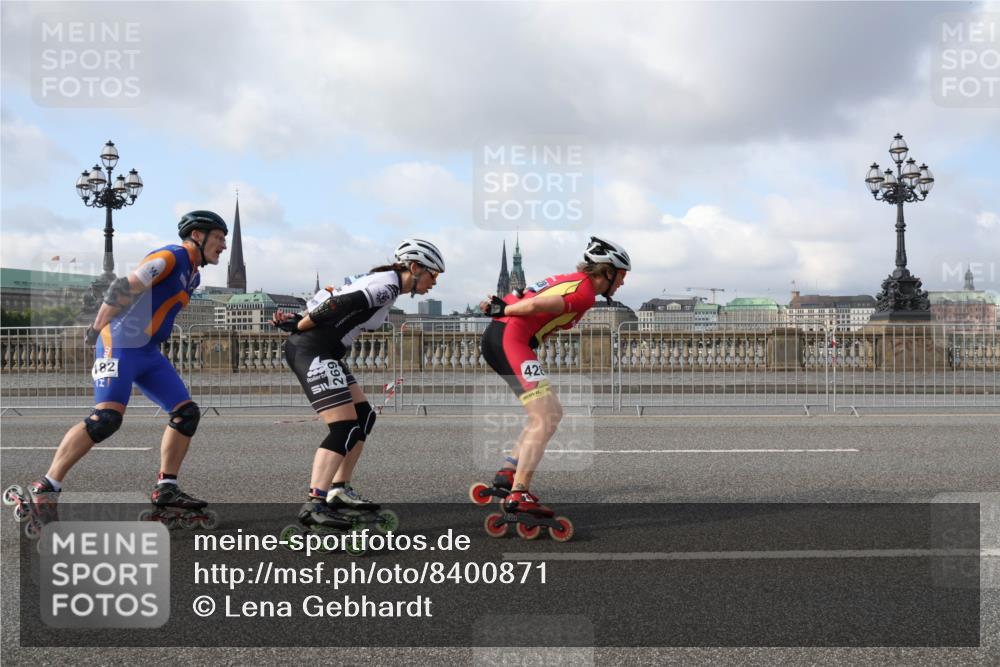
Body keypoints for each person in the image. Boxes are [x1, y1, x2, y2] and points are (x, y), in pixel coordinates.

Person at [3, 211, 228, 531]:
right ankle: (46, 488)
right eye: (219, 237)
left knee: (187, 413)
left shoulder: (193, 275)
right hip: (119, 343)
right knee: (105, 419)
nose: (223, 245)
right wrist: (96, 328)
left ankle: (167, 489)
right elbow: (124, 286)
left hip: (148, 352)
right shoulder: (171, 257)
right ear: (197, 235)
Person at [273, 239, 444, 534]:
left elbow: (337, 298)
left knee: (364, 416)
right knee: (344, 428)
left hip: (325, 351)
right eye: (433, 274)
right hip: (312, 349)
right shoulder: (387, 286)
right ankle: (315, 503)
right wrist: (301, 324)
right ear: (415, 267)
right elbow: (340, 303)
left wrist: (303, 318)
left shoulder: (387, 285)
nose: (435, 283)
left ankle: (338, 489)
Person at [474, 236, 630, 538]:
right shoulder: (584, 292)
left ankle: (509, 473)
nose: (623, 283)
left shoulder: (570, 280)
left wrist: (497, 305)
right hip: (511, 339)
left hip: (506, 338)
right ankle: (519, 492)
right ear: (607, 272)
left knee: (547, 414)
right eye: (622, 275)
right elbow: (536, 303)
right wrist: (502, 311)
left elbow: (522, 293)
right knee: (546, 416)